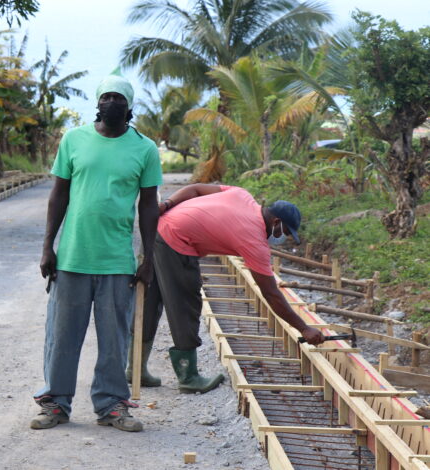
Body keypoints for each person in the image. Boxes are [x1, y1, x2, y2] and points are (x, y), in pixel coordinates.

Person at [31, 68, 162, 433]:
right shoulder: (74, 140)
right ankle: (56, 403)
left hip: (117, 261)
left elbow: (149, 205)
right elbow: (58, 195)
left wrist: (148, 258)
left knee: (114, 340)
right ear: (97, 104)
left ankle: (111, 406)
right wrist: (48, 246)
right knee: (62, 337)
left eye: (119, 99)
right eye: (106, 98)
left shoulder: (144, 149)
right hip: (73, 257)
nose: (111, 104)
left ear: (129, 107)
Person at [126, 184, 325, 393]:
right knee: (185, 304)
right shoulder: (254, 238)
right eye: (284, 232)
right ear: (276, 222)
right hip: (176, 240)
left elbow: (194, 189)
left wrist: (167, 205)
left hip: (159, 227)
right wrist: (304, 328)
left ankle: (135, 368)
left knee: (150, 300)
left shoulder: (242, 195)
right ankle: (189, 377)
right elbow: (271, 294)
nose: (282, 238)